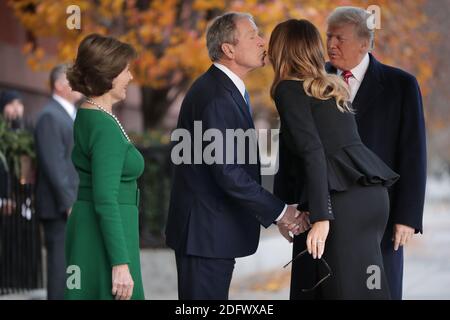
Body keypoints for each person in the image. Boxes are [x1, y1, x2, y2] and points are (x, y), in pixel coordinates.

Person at [165, 12, 306, 300]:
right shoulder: (217, 96)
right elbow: (228, 172)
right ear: (228, 49)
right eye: (252, 35)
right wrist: (281, 212)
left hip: (210, 235)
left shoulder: (224, 90)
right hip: (204, 237)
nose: (262, 41)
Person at [269, 19, 400, 299]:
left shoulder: (288, 89)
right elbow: (294, 156)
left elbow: (313, 152)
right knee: (366, 289)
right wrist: (286, 212)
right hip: (371, 199)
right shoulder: (330, 87)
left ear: (282, 50)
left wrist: (321, 216)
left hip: (342, 204)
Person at [325, 7, 427, 299]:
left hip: (380, 218)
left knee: (378, 290)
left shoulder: (401, 85)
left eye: (339, 38)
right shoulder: (314, 81)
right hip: (327, 214)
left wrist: (407, 216)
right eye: (329, 37)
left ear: (364, 42)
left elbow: (413, 154)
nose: (331, 44)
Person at [65, 34, 144, 300]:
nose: (131, 77)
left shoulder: (90, 113)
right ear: (108, 74)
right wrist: (120, 263)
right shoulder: (102, 124)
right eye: (126, 70)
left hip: (97, 229)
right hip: (108, 237)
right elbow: (105, 198)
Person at [34, 64, 81, 299]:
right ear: (60, 86)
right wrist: (69, 203)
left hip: (70, 205)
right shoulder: (49, 116)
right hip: (59, 208)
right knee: (59, 269)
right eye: (74, 79)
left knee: (72, 268)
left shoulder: (70, 114)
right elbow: (55, 165)